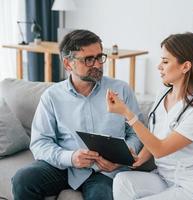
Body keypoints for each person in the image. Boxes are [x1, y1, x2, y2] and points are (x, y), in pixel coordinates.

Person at [11, 29, 142, 200]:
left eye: (99, 57)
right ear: (68, 64)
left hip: (105, 172)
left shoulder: (121, 90)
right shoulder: (52, 96)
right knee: (23, 179)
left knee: (101, 196)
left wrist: (124, 156)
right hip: (65, 167)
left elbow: (137, 132)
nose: (97, 64)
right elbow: (40, 142)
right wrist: (70, 157)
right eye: (88, 59)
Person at [106, 32, 193, 200]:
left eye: (165, 61)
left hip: (191, 186)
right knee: (122, 180)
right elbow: (155, 139)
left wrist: (126, 113)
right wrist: (137, 158)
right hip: (163, 177)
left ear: (185, 66)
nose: (159, 66)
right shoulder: (163, 94)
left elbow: (160, 149)